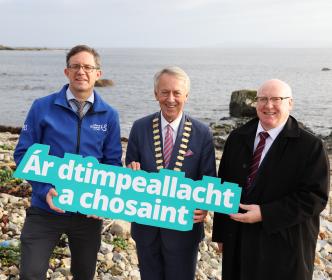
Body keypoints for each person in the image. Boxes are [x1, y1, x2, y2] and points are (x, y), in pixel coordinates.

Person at [14, 45, 122, 280]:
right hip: (45, 208)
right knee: (31, 273)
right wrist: (44, 190)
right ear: (66, 72)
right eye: (75, 66)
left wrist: (101, 199)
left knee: (84, 275)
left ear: (97, 74)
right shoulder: (42, 107)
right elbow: (23, 154)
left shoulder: (110, 115)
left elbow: (113, 163)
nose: (81, 71)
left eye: (87, 67)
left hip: (87, 213)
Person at [212, 79, 330, 280]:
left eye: (277, 99)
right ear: (256, 103)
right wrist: (221, 234)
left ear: (290, 103)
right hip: (239, 239)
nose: (268, 105)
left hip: (285, 244)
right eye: (263, 99)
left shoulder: (310, 146)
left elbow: (314, 198)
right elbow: (223, 186)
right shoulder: (237, 137)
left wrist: (265, 214)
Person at [126, 66, 216, 280]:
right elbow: (129, 167)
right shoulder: (139, 127)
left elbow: (209, 179)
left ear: (186, 95)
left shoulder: (202, 133)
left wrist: (204, 205)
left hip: (184, 229)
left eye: (177, 93)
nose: (171, 99)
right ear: (156, 94)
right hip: (146, 226)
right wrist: (130, 174)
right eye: (165, 92)